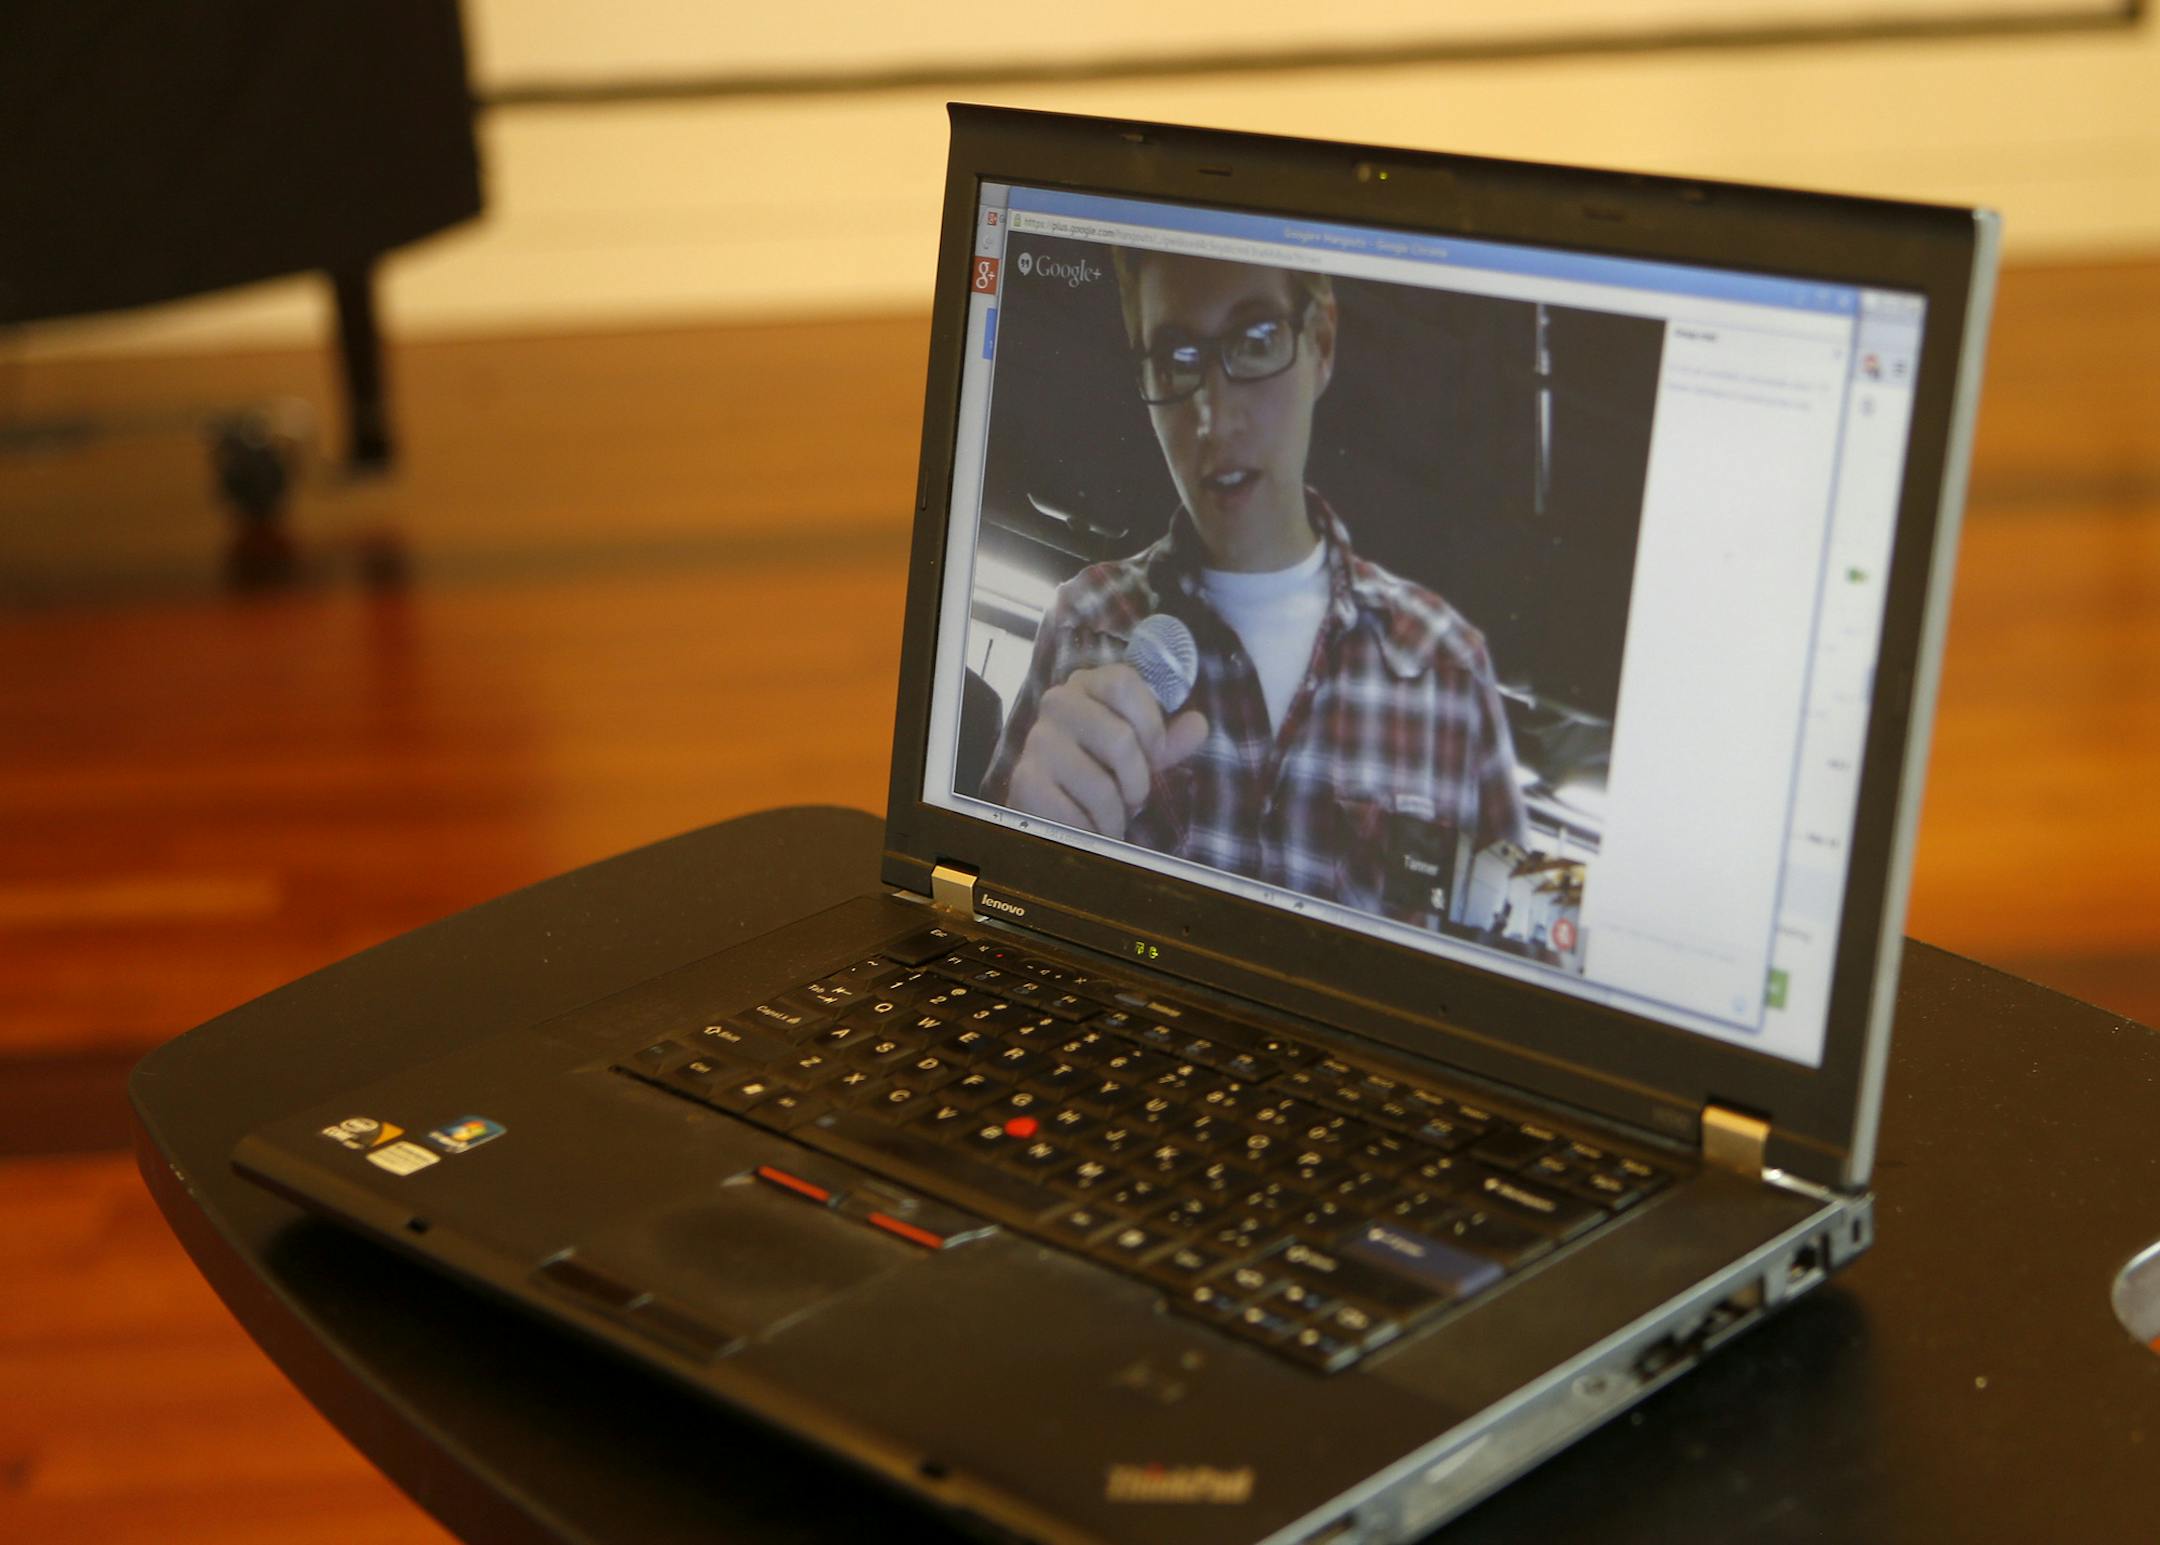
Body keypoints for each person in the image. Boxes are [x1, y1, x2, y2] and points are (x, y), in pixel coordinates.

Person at [979, 251, 1525, 930]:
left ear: (1320, 344)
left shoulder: (1449, 667)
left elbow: (1513, 970)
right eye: (1177, 360)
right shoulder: (1084, 621)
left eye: (1257, 340)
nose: (1215, 416)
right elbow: (984, 914)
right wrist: (1019, 849)